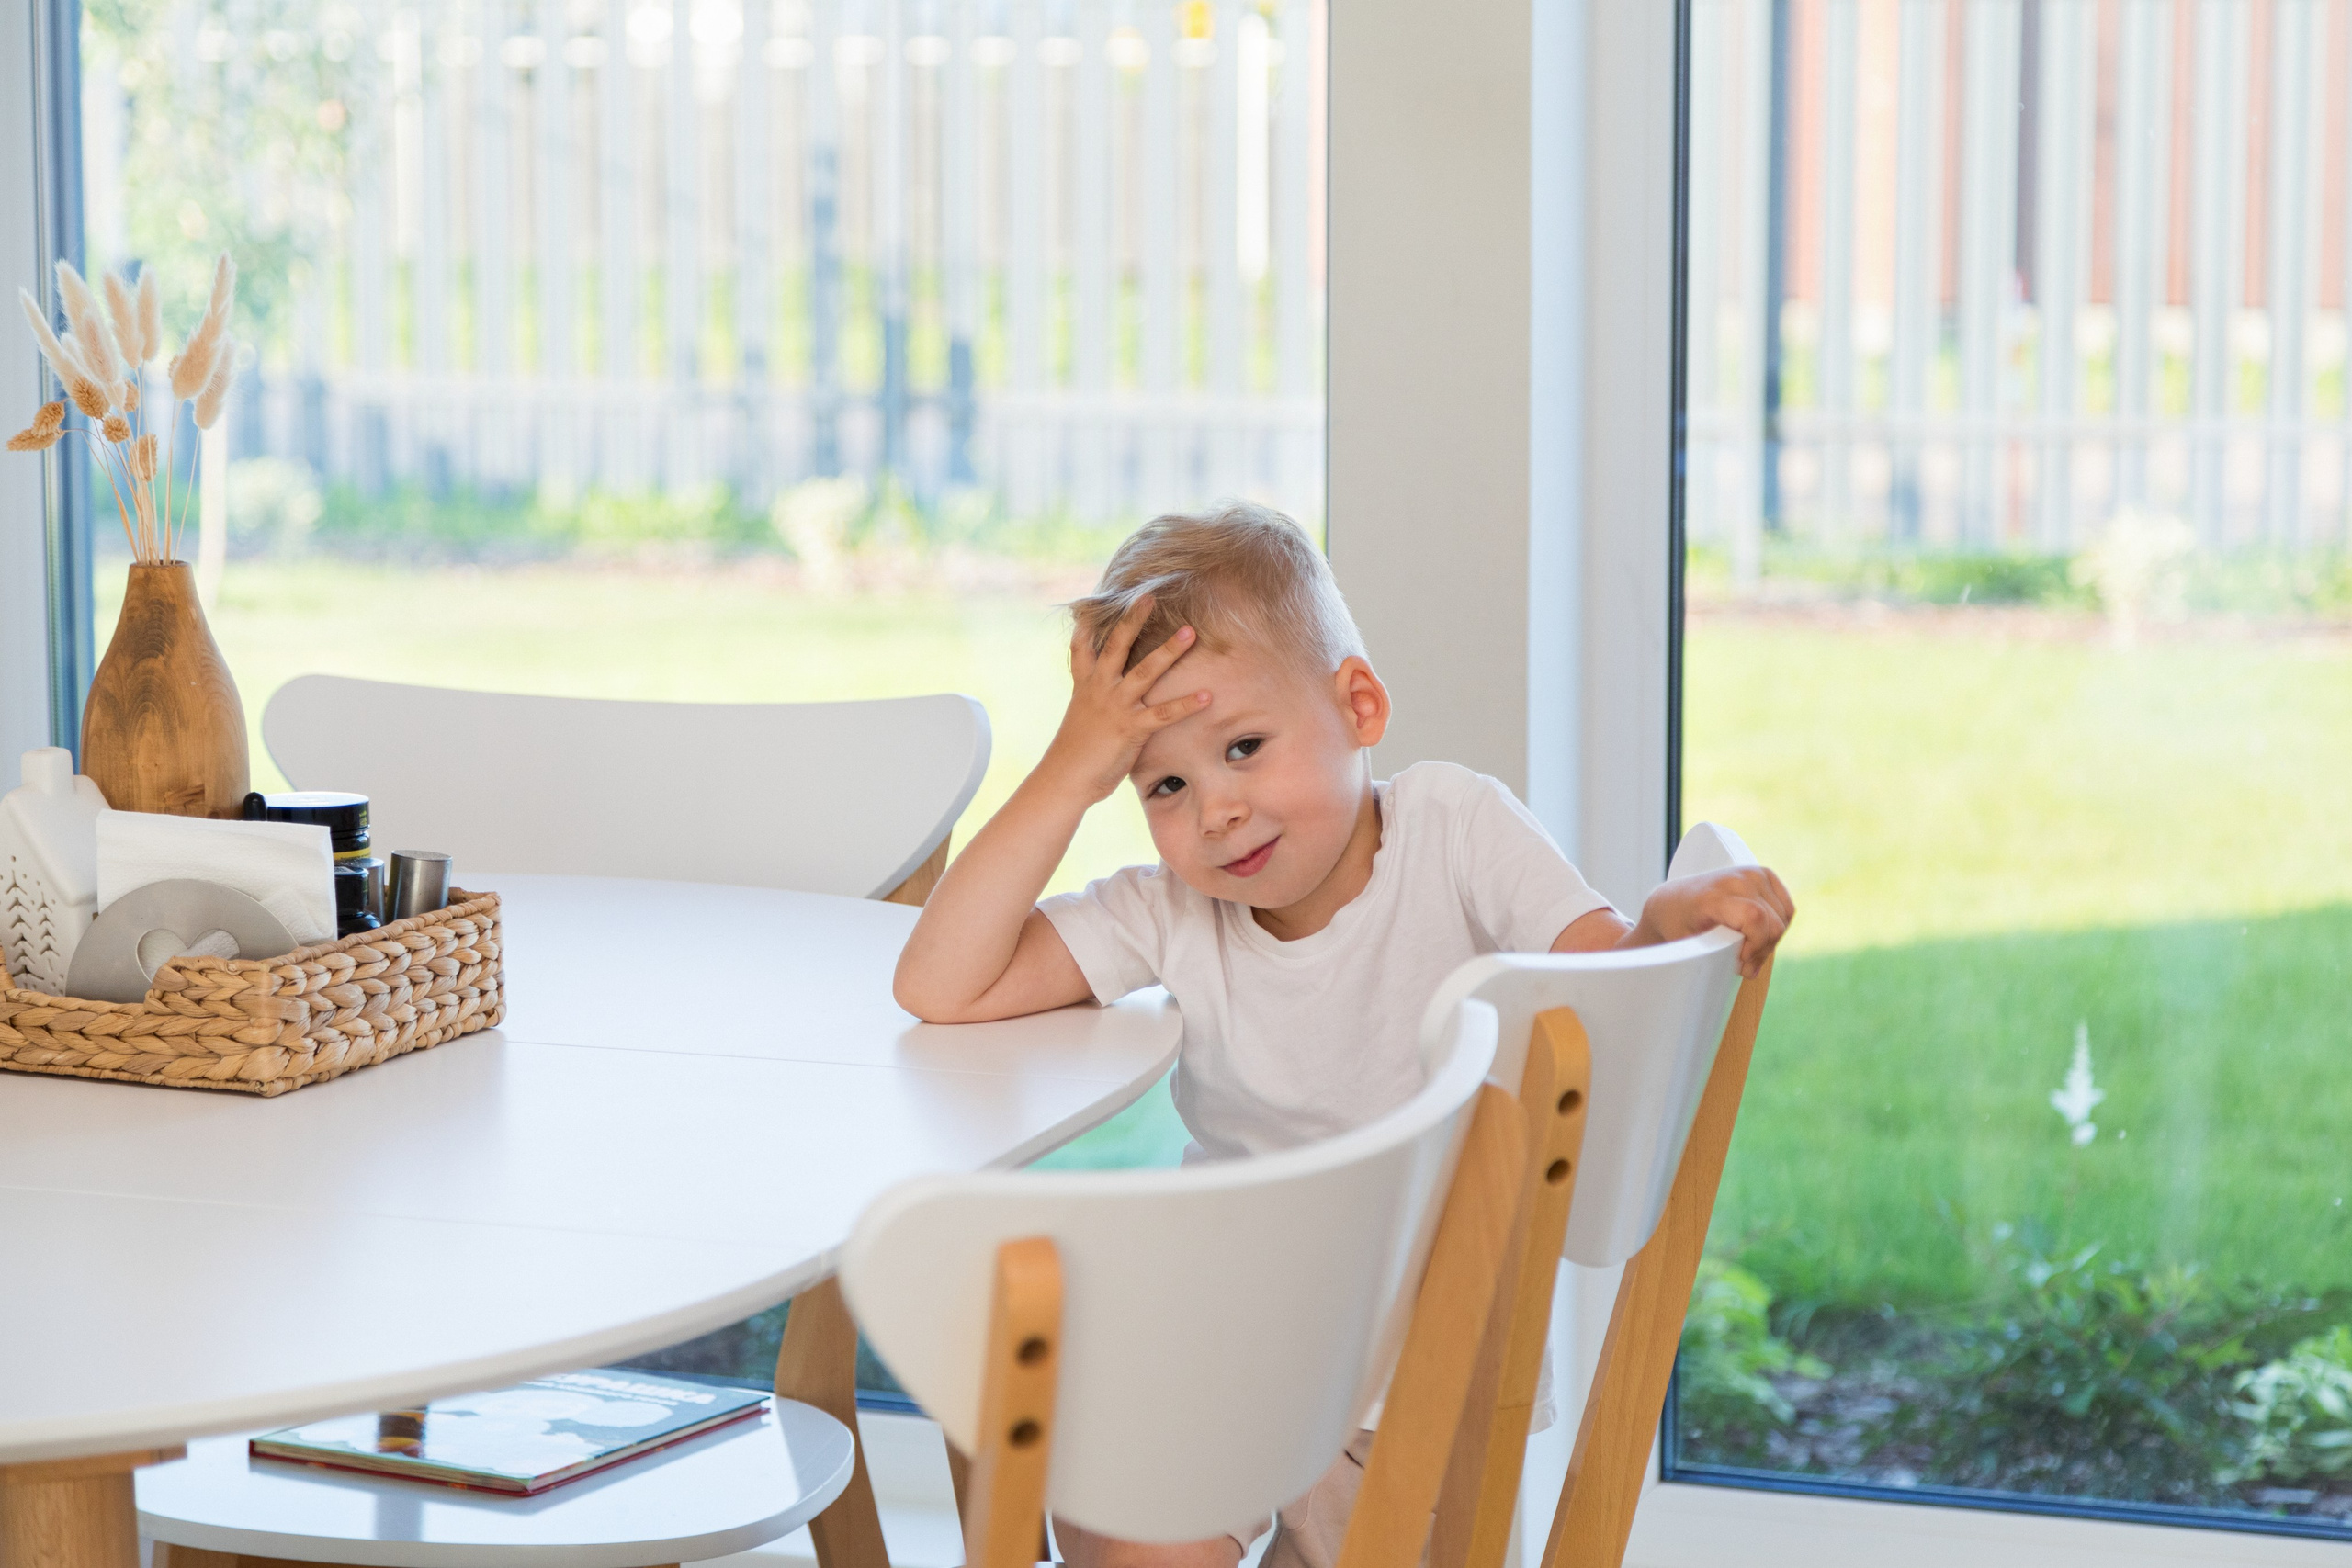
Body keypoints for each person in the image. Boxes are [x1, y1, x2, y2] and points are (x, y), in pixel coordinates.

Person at [894, 502, 1793, 1568]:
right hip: (1223, 1347)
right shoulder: (1169, 907)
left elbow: (1598, 988)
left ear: (1356, 703)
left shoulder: (1458, 828)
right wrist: (1071, 771)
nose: (1216, 809)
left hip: (1421, 1377)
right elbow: (941, 984)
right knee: (1122, 1523)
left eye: (1244, 747)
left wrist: (1661, 922)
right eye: (1164, 784)